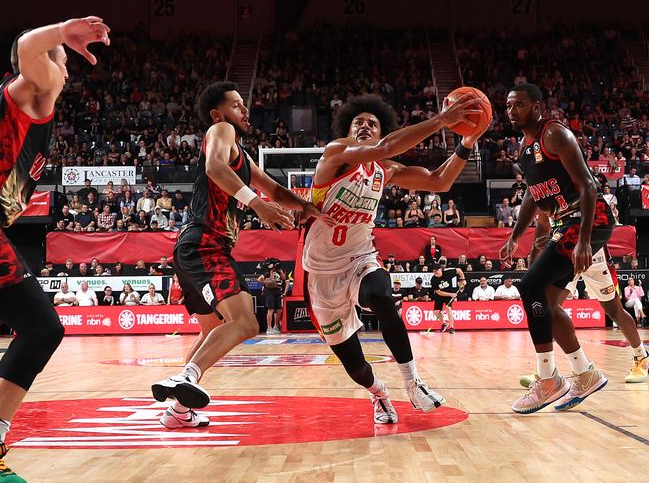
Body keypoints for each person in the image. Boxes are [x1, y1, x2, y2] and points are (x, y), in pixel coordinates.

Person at [151, 82, 328, 429]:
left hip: (195, 246)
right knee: (246, 321)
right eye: (236, 105)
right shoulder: (221, 129)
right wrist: (257, 204)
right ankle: (185, 377)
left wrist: (306, 206)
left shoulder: (243, 159)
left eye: (243, 105)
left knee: (212, 330)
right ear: (219, 114)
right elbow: (214, 168)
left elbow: (275, 189)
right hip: (205, 243)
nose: (244, 110)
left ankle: (177, 412)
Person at [302, 92, 487, 423]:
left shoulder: (385, 170)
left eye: (372, 124)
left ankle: (412, 382)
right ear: (347, 129)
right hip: (321, 274)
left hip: (361, 259)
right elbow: (387, 147)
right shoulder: (335, 155)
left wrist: (468, 142)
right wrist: (441, 121)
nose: (364, 125)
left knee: (382, 294)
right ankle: (378, 393)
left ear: (380, 131)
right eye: (358, 122)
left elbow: (440, 182)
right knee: (356, 367)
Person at [0, 18, 110, 480]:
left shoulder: (35, 108)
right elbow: (28, 47)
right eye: (64, 61)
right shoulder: (32, 93)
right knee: (41, 326)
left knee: (41, 328)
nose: (67, 72)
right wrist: (64, 31)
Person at [500, 83, 613, 414]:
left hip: (590, 217)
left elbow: (588, 185)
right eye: (508, 105)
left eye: (518, 104)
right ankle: (585, 372)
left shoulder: (555, 134)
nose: (511, 110)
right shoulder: (524, 149)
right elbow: (533, 195)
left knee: (530, 285)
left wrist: (583, 241)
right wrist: (515, 236)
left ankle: (548, 379)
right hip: (567, 224)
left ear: (536, 107)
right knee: (546, 303)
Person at [519, 213, 649, 387]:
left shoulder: (576, 189)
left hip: (593, 253)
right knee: (549, 307)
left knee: (614, 310)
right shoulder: (541, 193)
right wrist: (535, 253)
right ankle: (546, 369)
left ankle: (641, 357)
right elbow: (543, 224)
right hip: (565, 252)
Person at [430, 263, 465, 334]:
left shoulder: (448, 273)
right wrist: (451, 294)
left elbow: (459, 270)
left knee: (448, 308)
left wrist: (462, 279)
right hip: (440, 295)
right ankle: (444, 323)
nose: (435, 272)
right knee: (436, 312)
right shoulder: (433, 280)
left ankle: (452, 328)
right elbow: (438, 292)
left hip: (448, 294)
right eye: (434, 271)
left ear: (441, 269)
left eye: (437, 270)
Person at [258, 260, 285, 334]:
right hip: (269, 292)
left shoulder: (279, 271)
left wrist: (280, 270)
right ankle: (269, 328)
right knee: (271, 309)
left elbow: (283, 278)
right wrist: (265, 282)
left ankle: (276, 326)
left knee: (279, 310)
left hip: (278, 291)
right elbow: (259, 279)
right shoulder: (267, 272)